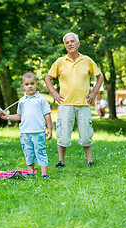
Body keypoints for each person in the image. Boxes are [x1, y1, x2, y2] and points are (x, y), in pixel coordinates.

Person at [45, 32, 103, 168]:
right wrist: (54, 93)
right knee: (63, 135)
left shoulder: (87, 60)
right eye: (67, 42)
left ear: (78, 44)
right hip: (65, 104)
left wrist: (94, 92)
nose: (70, 44)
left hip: (84, 104)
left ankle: (90, 161)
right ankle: (61, 161)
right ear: (65, 46)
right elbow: (48, 78)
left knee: (86, 134)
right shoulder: (60, 62)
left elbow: (99, 76)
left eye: (72, 41)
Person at [0, 72, 52, 178]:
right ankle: (30, 173)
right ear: (23, 86)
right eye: (27, 84)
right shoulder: (22, 101)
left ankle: (44, 174)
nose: (30, 86)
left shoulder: (41, 99)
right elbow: (19, 116)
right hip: (25, 132)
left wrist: (49, 128)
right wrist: (6, 116)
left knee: (40, 151)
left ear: (36, 84)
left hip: (38, 131)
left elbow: (47, 114)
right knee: (28, 152)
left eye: (32, 83)